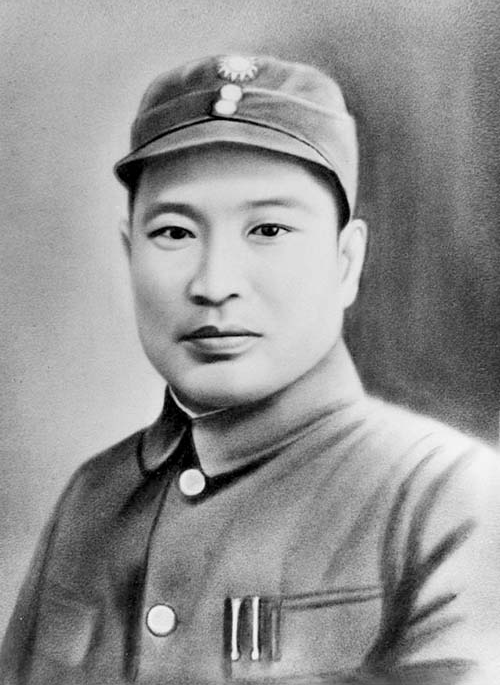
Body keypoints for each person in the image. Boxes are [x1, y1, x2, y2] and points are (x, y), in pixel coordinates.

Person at [1, 54, 500, 685]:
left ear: (346, 262)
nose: (214, 284)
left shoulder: (448, 499)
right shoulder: (93, 498)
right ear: (130, 254)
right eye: (174, 233)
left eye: (268, 229)